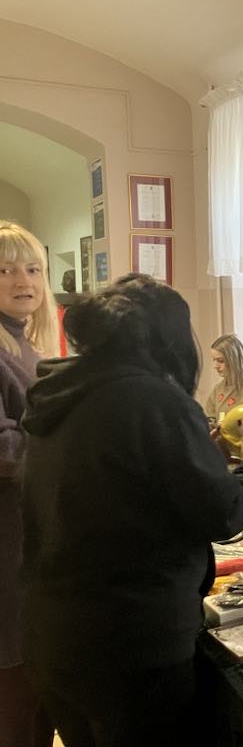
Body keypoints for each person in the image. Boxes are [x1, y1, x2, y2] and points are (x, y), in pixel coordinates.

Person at [20, 274, 243, 747]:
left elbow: (123, 486)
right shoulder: (153, 399)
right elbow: (224, 513)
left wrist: (199, 453)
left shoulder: (59, 393)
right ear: (168, 338)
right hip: (131, 642)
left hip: (53, 634)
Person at [0, 222, 58, 747]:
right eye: (6, 270)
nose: (24, 280)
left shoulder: (28, 347)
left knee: (40, 692)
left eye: (33, 268)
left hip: (33, 545)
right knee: (16, 697)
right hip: (7, 549)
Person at [204, 333, 243, 424]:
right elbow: (209, 419)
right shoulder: (217, 389)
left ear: (235, 360)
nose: (215, 366)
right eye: (214, 360)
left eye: (220, 361)